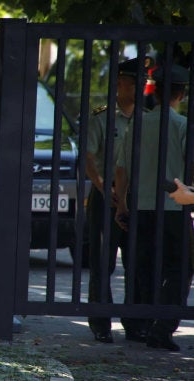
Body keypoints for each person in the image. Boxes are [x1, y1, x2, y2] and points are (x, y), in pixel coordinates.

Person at [115, 63, 192, 351]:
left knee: (141, 266)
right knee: (178, 269)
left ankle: (139, 324)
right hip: (174, 208)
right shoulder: (182, 126)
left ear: (155, 92)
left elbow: (122, 168)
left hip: (140, 205)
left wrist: (120, 203)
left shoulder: (137, 123)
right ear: (181, 94)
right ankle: (163, 326)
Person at [85, 58, 147, 343]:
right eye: (132, 82)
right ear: (119, 84)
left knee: (137, 262)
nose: (137, 88)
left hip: (137, 197)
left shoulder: (147, 119)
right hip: (105, 195)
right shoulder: (101, 116)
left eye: (140, 82)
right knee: (102, 262)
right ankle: (100, 323)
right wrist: (100, 186)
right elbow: (88, 156)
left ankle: (135, 323)